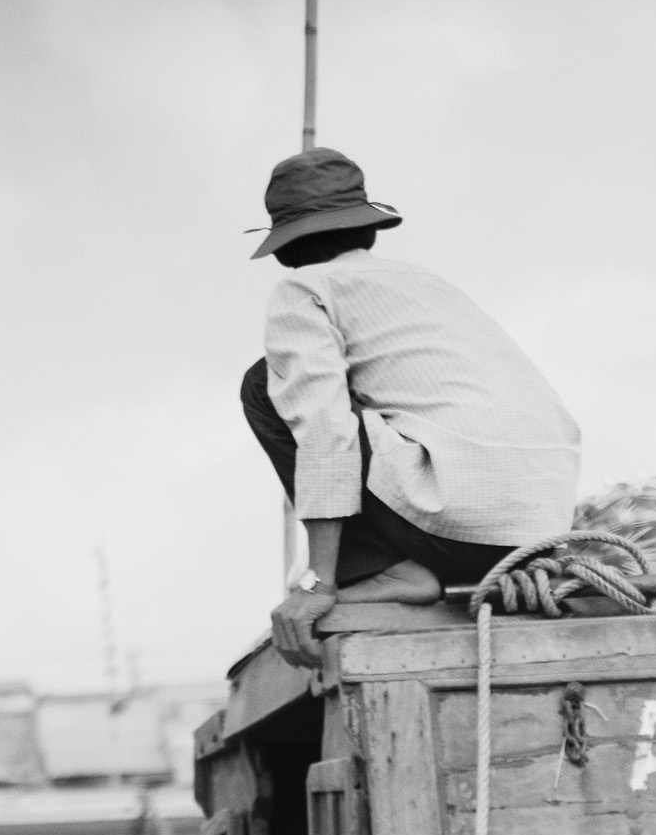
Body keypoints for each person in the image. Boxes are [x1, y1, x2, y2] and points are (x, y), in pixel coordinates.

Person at [241, 147, 580, 669]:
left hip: (454, 527)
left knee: (265, 383)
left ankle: (380, 569)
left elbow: (326, 431)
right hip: (539, 530)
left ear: (285, 249)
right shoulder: (426, 284)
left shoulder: (302, 288)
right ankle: (394, 562)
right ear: (368, 232)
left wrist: (318, 584)